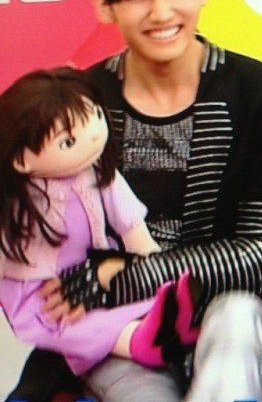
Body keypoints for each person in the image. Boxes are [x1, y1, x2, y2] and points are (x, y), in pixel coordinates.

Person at [8, 0, 262, 402]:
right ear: (105, 6)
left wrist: (130, 275)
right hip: (120, 332)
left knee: (233, 318)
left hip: (240, 324)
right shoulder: (80, 107)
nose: (161, 13)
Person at [0, 66, 199, 374]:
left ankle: (173, 321)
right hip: (38, 290)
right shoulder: (17, 198)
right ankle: (139, 341)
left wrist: (152, 261)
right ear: (21, 159)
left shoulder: (100, 175)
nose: (93, 136)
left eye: (95, 115)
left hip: (96, 267)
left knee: (133, 298)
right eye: (68, 141)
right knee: (66, 324)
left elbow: (130, 224)